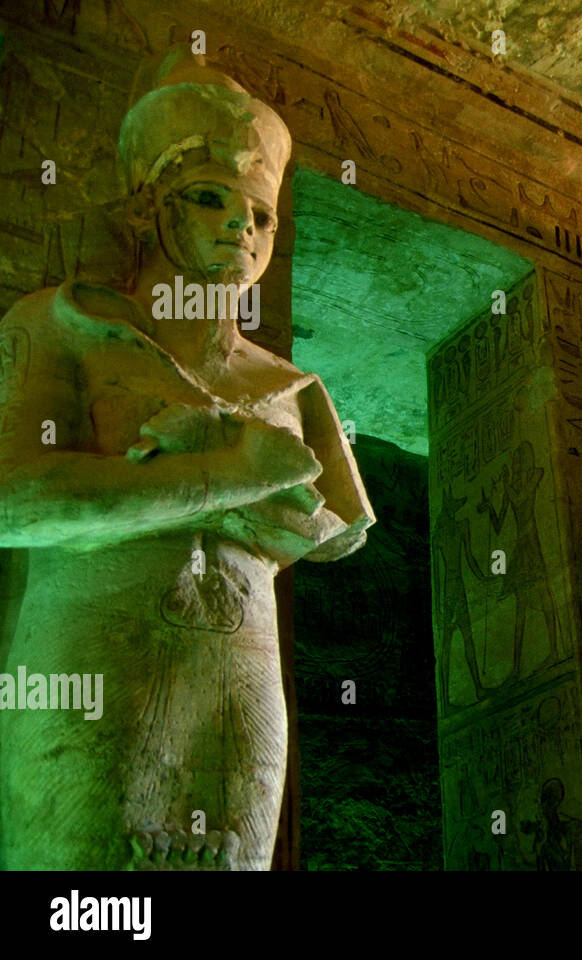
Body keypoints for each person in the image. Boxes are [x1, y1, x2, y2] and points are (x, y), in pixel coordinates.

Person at [0, 50, 373, 869]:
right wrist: (236, 474)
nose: (241, 225)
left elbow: (335, 529)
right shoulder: (61, 324)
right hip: (91, 666)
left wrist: (191, 466)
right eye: (208, 198)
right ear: (145, 211)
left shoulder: (288, 385)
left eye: (261, 215)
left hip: (242, 680)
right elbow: (17, 501)